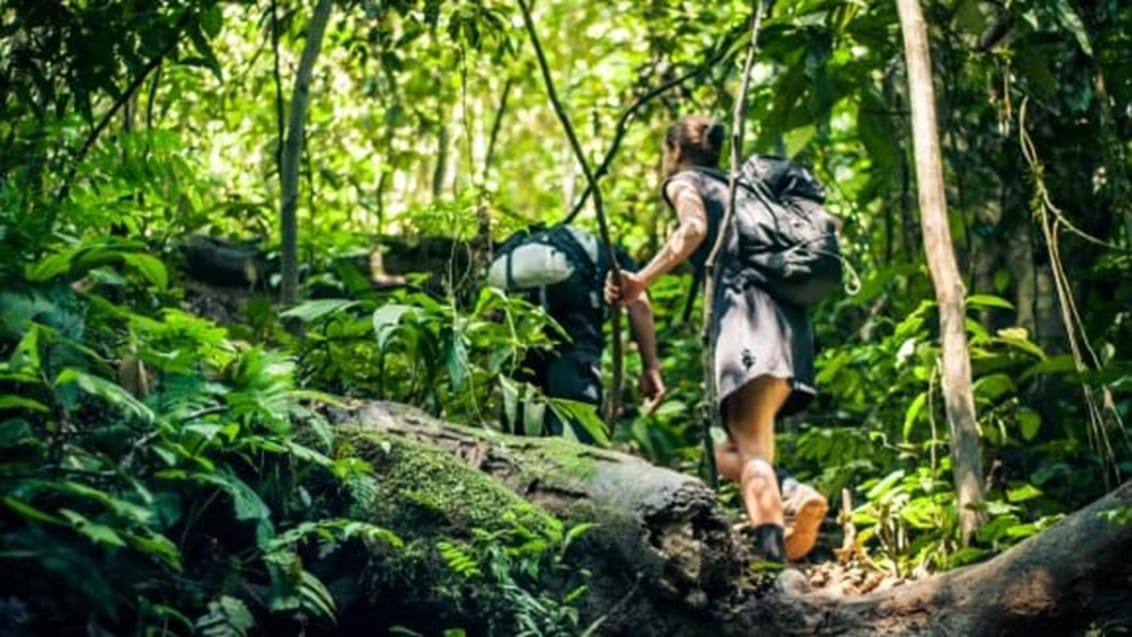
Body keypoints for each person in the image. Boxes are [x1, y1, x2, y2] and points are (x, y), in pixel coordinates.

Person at [605, 114, 827, 563]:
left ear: (673, 152)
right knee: (736, 449)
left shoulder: (685, 182)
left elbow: (692, 230)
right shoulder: (745, 187)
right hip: (788, 324)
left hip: (745, 321)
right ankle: (781, 517)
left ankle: (775, 547)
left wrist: (640, 281)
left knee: (749, 449)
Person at [495, 225, 666, 443]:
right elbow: (638, 303)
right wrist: (650, 366)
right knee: (576, 429)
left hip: (518, 340)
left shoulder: (522, 246)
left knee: (517, 430)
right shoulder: (611, 255)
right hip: (575, 340)